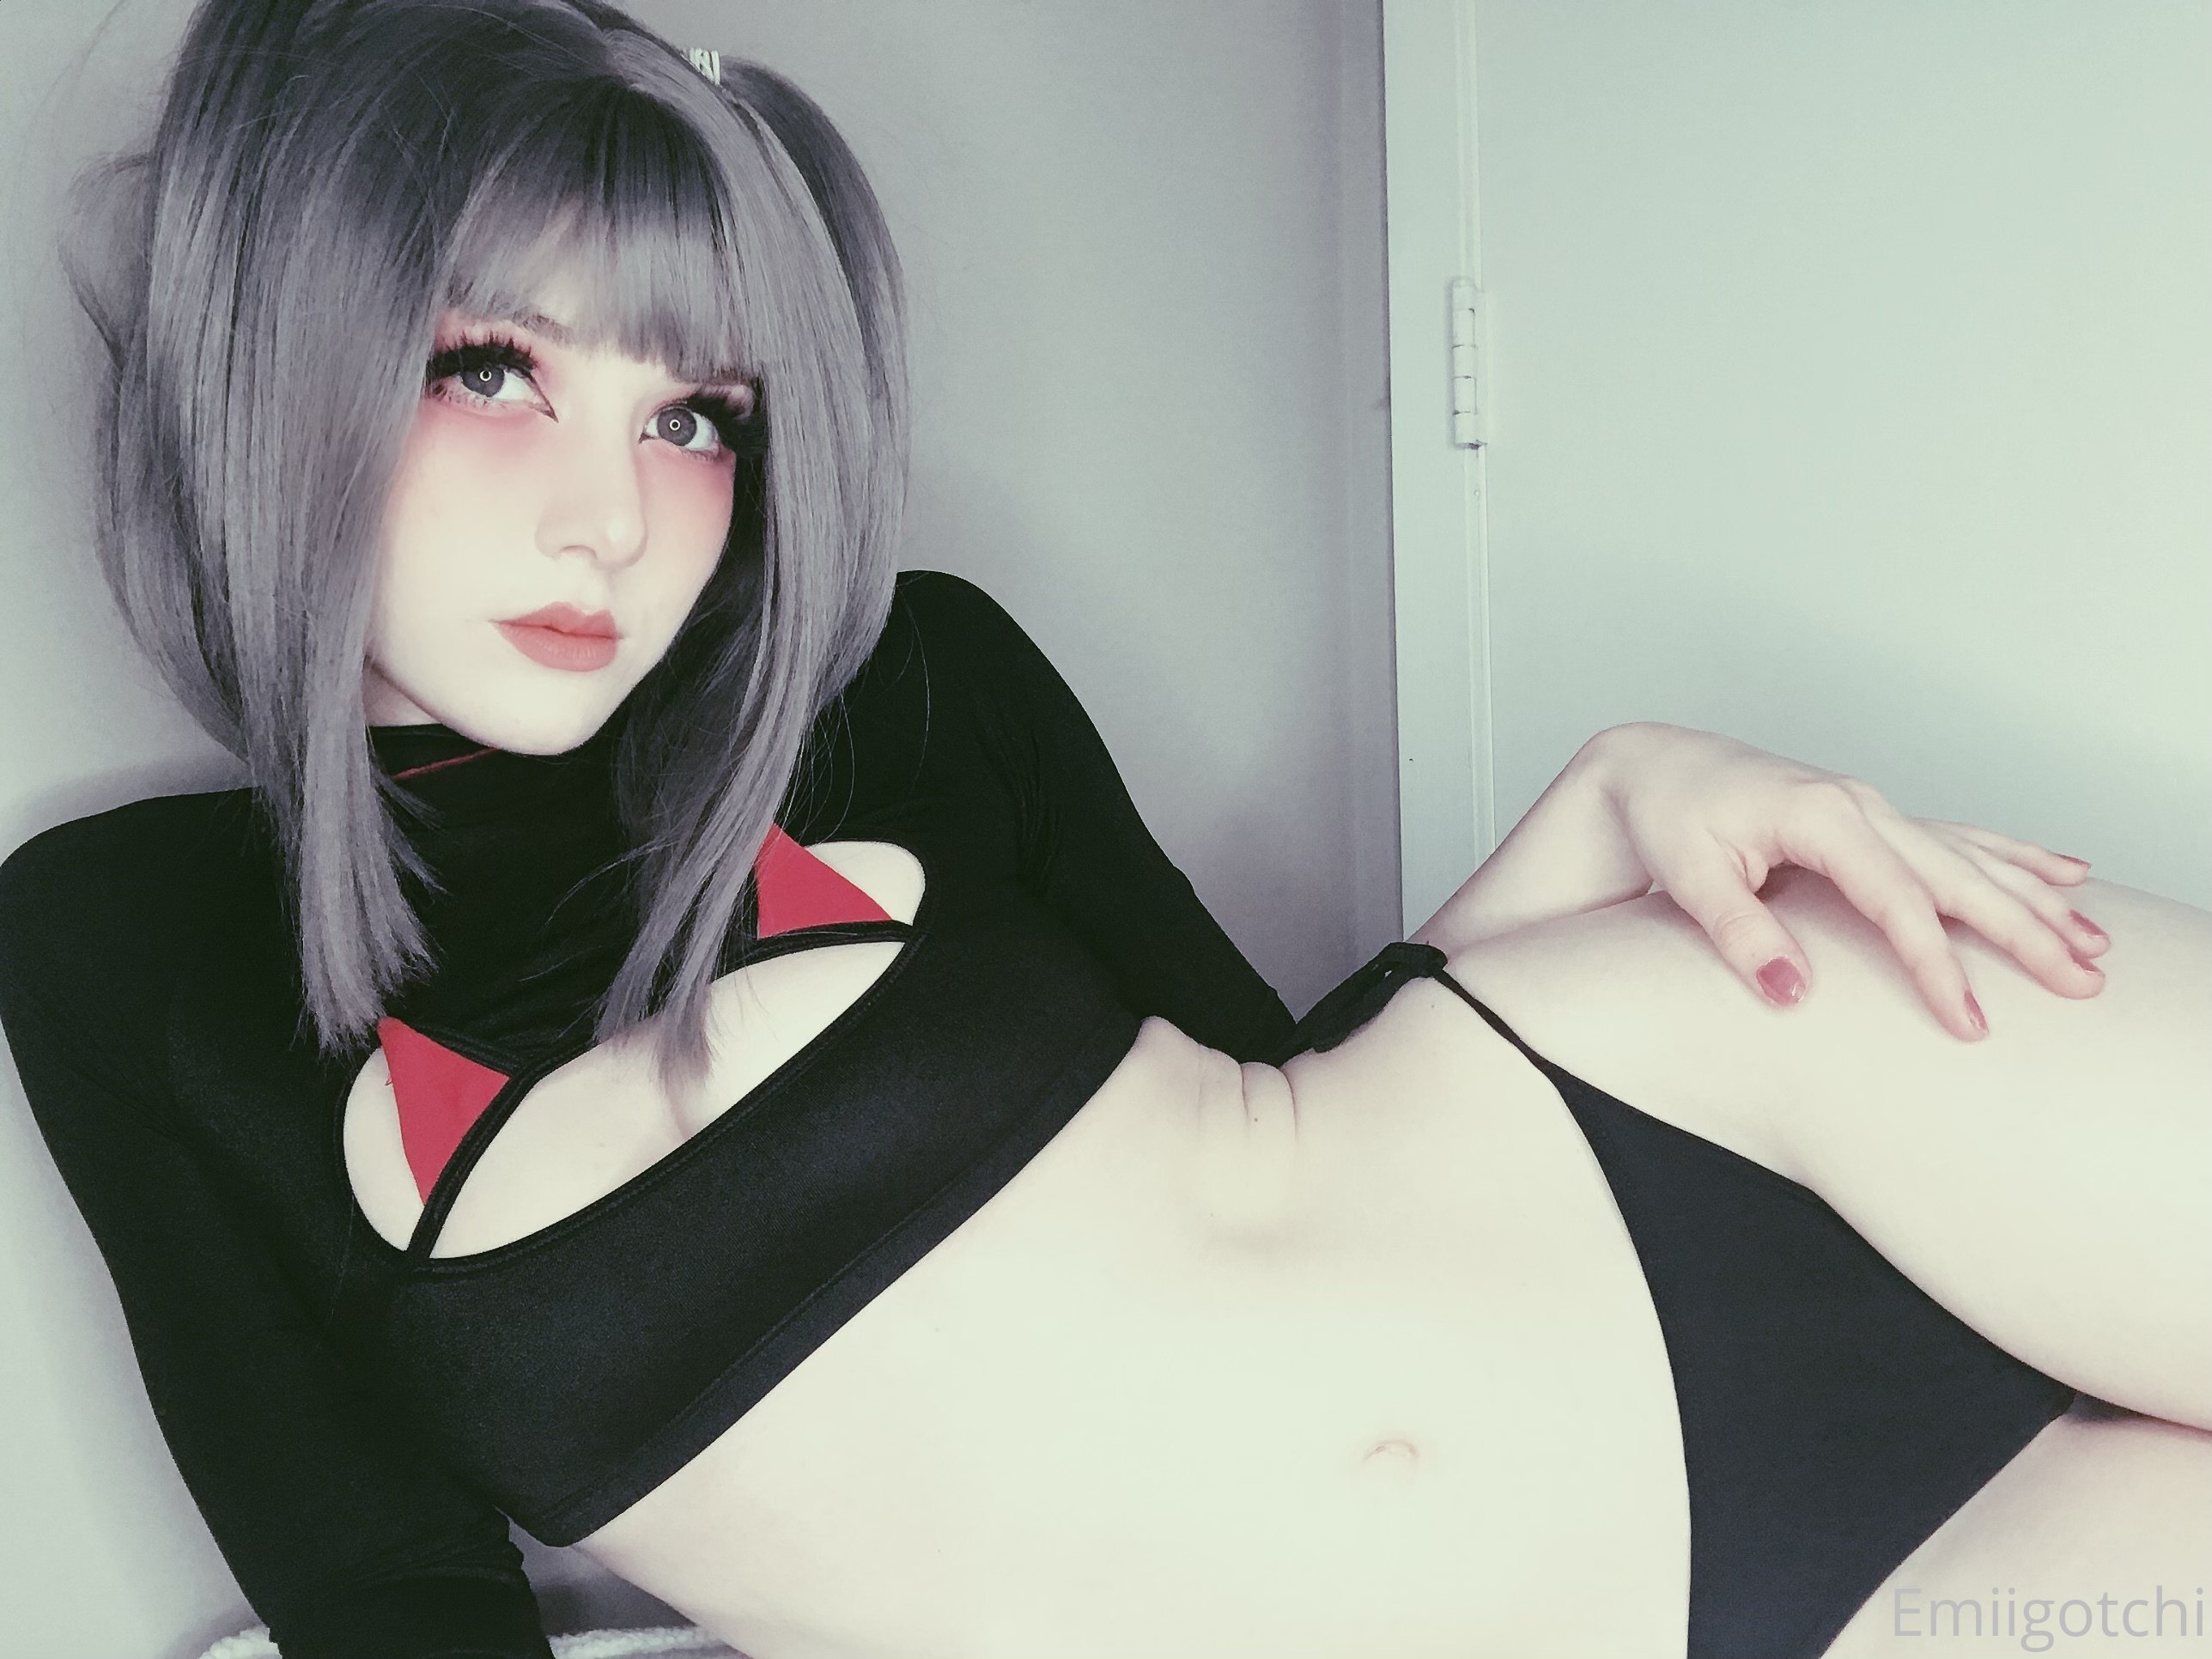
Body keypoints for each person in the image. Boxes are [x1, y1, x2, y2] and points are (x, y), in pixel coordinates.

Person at [1, 2, 2203, 1656]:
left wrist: (1606, 794)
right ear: (272, 366)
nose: (614, 516)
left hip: (1725, 1085)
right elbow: (380, 1587)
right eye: (491, 369)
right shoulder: (126, 948)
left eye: (694, 414)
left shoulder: (916, 680)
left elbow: (1282, 1087)